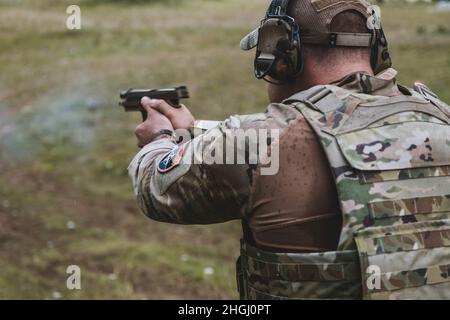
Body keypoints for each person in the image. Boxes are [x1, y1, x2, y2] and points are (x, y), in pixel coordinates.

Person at [128, 0, 450, 300]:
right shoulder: (441, 118)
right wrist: (191, 132)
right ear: (377, 47)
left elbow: (154, 187)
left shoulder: (255, 141)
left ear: (281, 51)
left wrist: (162, 137)